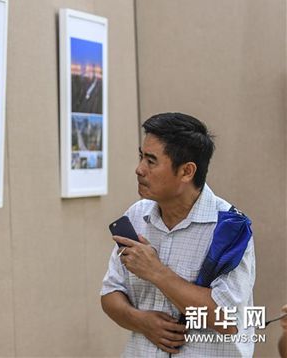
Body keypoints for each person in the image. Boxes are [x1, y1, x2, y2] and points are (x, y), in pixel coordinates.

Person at [101, 112, 256, 357]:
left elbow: (228, 321)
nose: (139, 169)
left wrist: (156, 272)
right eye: (141, 156)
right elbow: (110, 293)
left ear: (186, 172)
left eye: (151, 161)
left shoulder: (230, 228)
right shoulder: (136, 215)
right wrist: (141, 321)